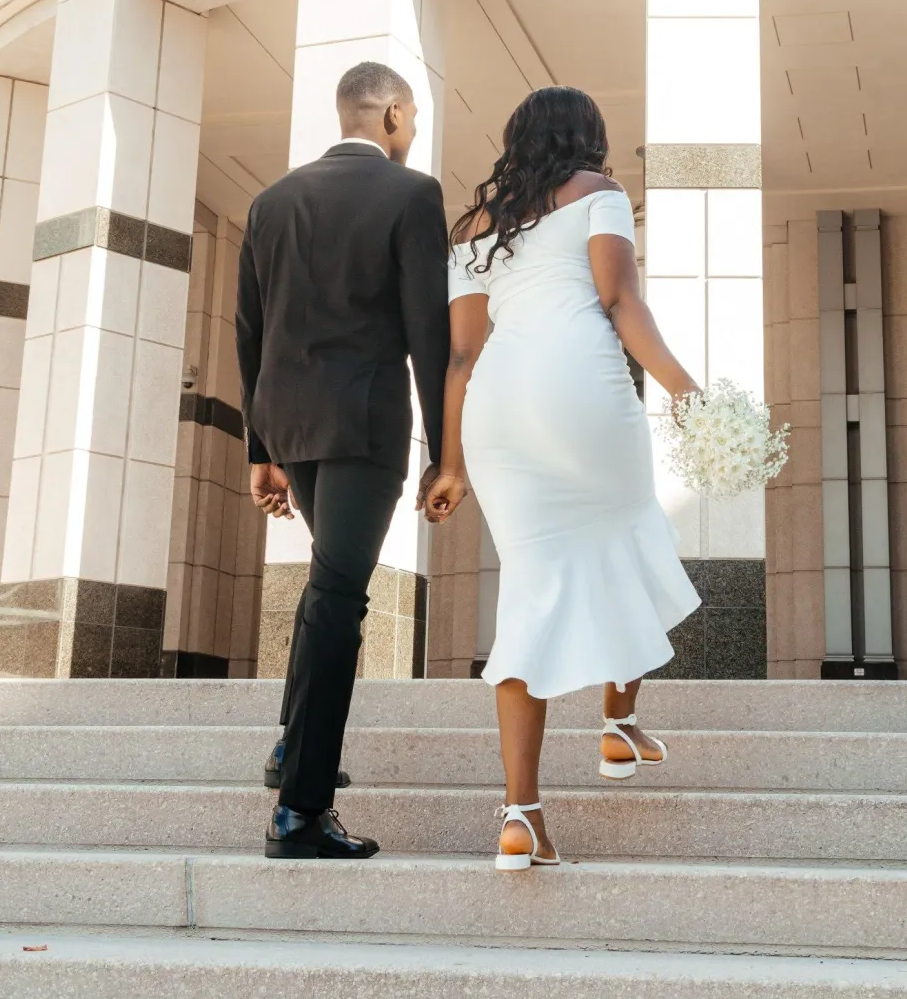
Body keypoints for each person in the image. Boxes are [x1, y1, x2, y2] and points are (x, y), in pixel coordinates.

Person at [424, 86, 702, 870]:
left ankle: (521, 814)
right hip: (581, 389)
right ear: (588, 137)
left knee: (532, 587)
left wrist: (451, 465)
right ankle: (617, 724)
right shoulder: (601, 195)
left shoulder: (474, 228)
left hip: (497, 412)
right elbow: (619, 301)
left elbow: (461, 356)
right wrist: (685, 391)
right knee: (627, 538)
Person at [236, 62, 450, 861]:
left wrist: (263, 451)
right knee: (338, 598)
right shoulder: (411, 193)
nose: (416, 130)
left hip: (289, 424)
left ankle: (293, 750)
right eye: (415, 115)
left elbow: (249, 332)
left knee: (328, 585)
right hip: (363, 426)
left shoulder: (271, 200)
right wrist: (446, 449)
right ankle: (300, 811)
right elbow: (429, 331)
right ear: (392, 113)